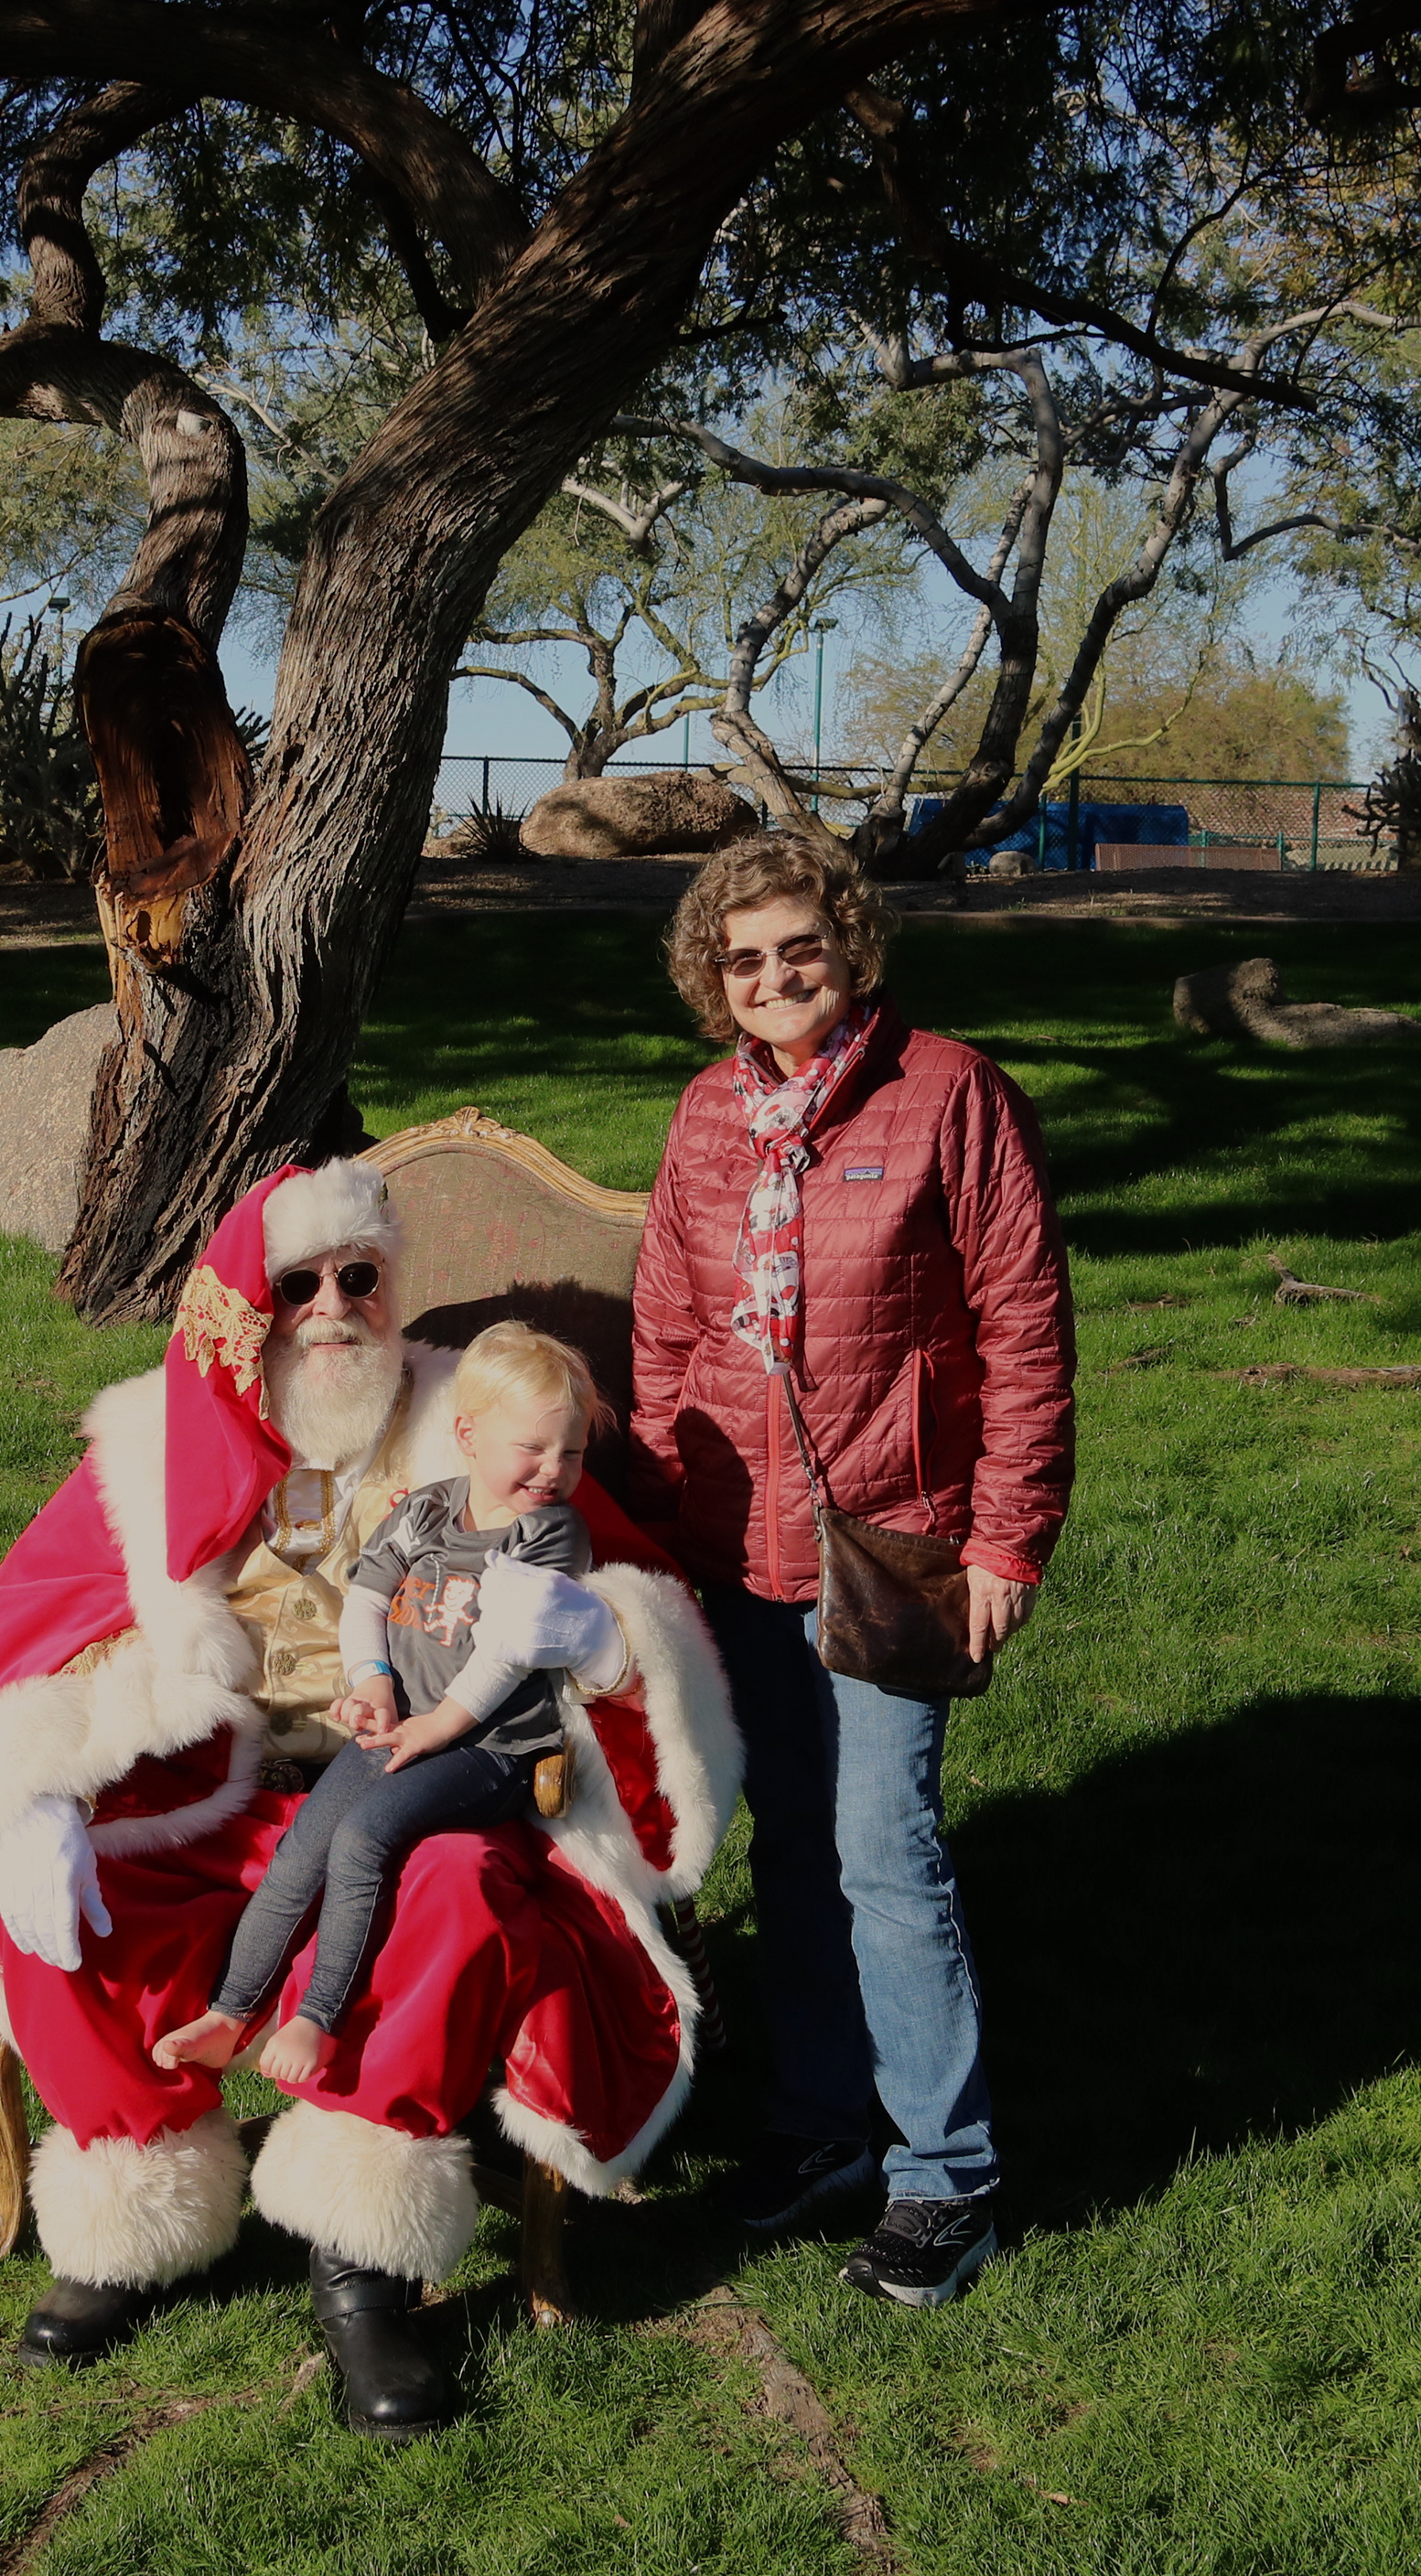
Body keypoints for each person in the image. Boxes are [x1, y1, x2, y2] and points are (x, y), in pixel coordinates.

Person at [0, 1159, 741, 2431]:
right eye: (294, 1284)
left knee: (460, 1884)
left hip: (426, 1776)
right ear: (243, 1308)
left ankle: (362, 2260)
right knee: (41, 1884)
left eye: (357, 1277)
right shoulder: (153, 1444)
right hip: (225, 1793)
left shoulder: (470, 1422)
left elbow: (626, 1590)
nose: (329, 1307)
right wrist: (32, 1787)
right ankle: (128, 2212)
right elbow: (44, 1617)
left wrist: (596, 1640)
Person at [630, 832, 1074, 2307]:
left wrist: (1005, 1537)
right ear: (713, 980)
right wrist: (662, 1522)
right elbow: (665, 1333)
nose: (774, 977)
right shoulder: (706, 1115)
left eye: (798, 947)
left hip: (894, 1539)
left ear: (851, 945)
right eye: (743, 959)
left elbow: (1023, 1327)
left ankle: (948, 2176)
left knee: (887, 1854)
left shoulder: (949, 1092)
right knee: (795, 1848)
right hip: (733, 1545)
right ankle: (825, 2120)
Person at [153, 1321, 606, 2085]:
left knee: (364, 1838)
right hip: (407, 1725)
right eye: (532, 1448)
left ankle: (320, 2017)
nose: (553, 1470)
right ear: (468, 1435)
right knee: (305, 1844)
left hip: (491, 1747)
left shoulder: (549, 1536)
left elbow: (509, 1649)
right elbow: (367, 1597)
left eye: (573, 1453)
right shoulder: (427, 1511)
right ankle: (231, 2013)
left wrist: (438, 1727)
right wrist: (372, 1682)